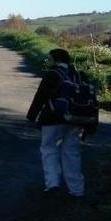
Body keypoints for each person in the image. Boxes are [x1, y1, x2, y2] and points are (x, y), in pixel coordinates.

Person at [26, 48, 85, 198]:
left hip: (53, 118)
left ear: (55, 60)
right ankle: (77, 189)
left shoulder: (52, 74)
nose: (48, 61)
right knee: (72, 153)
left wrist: (32, 116)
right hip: (75, 119)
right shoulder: (78, 75)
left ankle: (52, 183)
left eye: (49, 59)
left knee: (48, 148)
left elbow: (41, 96)